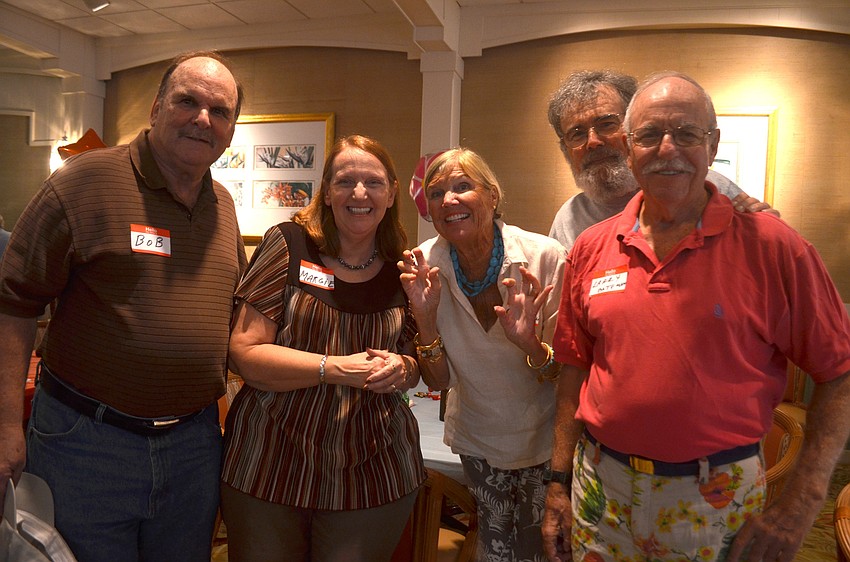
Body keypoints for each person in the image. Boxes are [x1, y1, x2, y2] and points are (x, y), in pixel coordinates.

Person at [542, 71, 850, 562]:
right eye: (648, 136)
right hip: (600, 490)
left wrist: (802, 502)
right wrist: (558, 483)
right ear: (630, 146)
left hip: (716, 499)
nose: (667, 149)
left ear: (713, 143)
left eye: (686, 133)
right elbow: (575, 369)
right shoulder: (588, 243)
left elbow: (840, 374)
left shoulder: (774, 245)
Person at [0, 51, 246, 561]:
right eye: (187, 101)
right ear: (156, 107)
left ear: (230, 131)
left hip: (193, 448)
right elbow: (13, 305)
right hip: (87, 443)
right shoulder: (83, 182)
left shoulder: (222, 206)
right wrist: (4, 426)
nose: (203, 118)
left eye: (219, 111)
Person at [220, 134, 426, 562]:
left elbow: (415, 360)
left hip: (373, 469)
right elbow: (245, 354)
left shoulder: (400, 268)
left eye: (373, 182)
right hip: (270, 465)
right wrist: (332, 367)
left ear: (390, 194)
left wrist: (402, 369)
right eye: (345, 181)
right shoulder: (289, 244)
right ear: (327, 193)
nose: (359, 193)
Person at [399, 147, 567, 561]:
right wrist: (424, 317)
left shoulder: (544, 257)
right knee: (493, 550)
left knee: (541, 550)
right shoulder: (426, 263)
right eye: (437, 194)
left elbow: (567, 376)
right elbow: (437, 383)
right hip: (477, 439)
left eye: (462, 186)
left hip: (543, 440)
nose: (449, 200)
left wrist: (531, 344)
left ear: (492, 196)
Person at [546, 69, 775, 252]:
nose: (593, 141)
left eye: (606, 124)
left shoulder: (709, 186)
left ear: (632, 131)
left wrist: (769, 232)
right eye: (577, 134)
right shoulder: (569, 218)